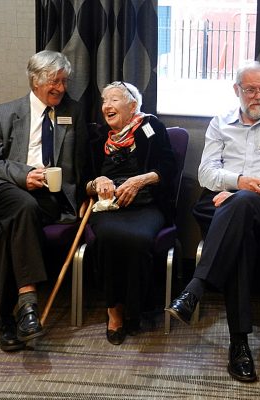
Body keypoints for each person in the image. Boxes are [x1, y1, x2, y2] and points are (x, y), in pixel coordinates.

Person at [166, 61, 260, 382]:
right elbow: (205, 173)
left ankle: (195, 289)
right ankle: (239, 344)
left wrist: (239, 191)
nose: (258, 96)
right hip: (222, 202)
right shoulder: (219, 122)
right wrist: (237, 183)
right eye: (251, 89)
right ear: (237, 90)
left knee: (243, 206)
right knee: (240, 236)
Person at [0, 50, 88, 352]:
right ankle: (27, 307)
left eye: (64, 82)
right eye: (55, 82)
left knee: (13, 224)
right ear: (36, 80)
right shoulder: (5, 112)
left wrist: (82, 193)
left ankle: (8, 318)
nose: (61, 88)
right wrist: (23, 175)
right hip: (5, 190)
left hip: (47, 199)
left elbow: (80, 162)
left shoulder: (73, 112)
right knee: (20, 205)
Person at [86, 81, 177, 345]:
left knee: (138, 239)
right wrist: (97, 181)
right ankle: (114, 310)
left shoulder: (151, 128)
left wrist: (140, 180)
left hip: (147, 204)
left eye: (115, 100)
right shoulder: (97, 135)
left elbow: (168, 167)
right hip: (108, 206)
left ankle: (135, 309)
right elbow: (83, 176)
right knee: (109, 237)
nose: (107, 106)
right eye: (105, 100)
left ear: (133, 105)